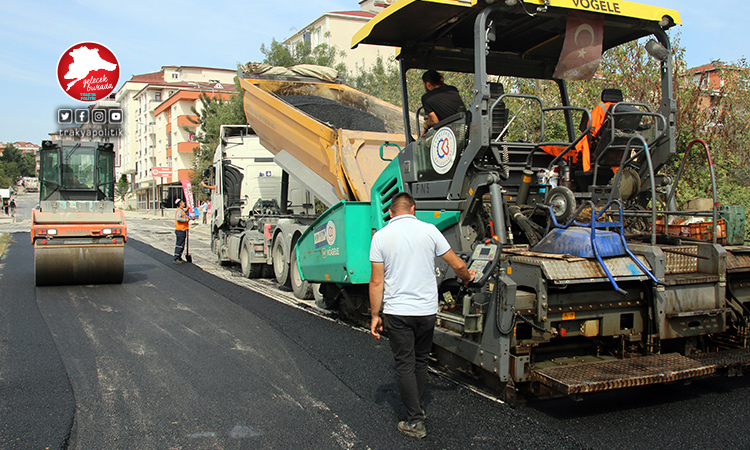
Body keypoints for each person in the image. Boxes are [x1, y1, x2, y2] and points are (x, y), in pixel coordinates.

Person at [369, 192, 475, 439]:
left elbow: (376, 282)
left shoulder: (381, 237)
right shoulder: (429, 230)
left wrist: (375, 314)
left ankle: (415, 419)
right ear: (413, 209)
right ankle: (419, 409)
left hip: (397, 312)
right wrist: (468, 278)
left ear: (391, 213)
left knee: (404, 363)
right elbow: (458, 265)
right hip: (426, 311)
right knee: (420, 360)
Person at [420, 70, 466, 135]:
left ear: (428, 84)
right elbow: (444, 87)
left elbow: (434, 121)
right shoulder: (453, 89)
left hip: (450, 133)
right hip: (465, 128)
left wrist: (427, 123)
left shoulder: (426, 98)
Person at [173, 199, 189, 264]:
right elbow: (178, 218)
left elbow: (185, 210)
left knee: (182, 245)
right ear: (179, 203)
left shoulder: (182, 210)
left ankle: (179, 257)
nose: (183, 203)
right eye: (182, 202)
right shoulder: (179, 211)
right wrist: (186, 220)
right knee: (179, 245)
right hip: (180, 230)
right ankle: (176, 258)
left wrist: (188, 208)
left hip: (183, 229)